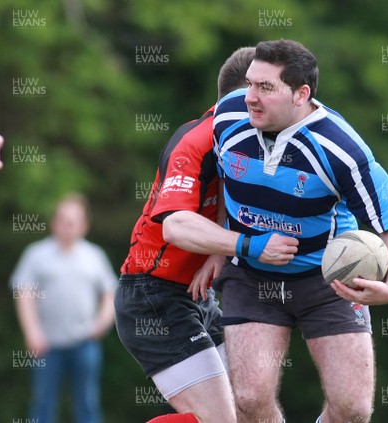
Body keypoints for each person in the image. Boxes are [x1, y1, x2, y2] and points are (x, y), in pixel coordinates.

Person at [166, 39, 388, 423]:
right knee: (249, 399)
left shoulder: (340, 149)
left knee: (353, 409)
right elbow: (222, 188)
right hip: (251, 274)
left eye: (265, 88)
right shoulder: (227, 118)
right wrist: (219, 249)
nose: (249, 97)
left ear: (302, 94)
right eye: (249, 83)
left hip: (329, 280)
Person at [115, 47, 259, 423]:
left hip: (198, 297)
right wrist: (242, 246)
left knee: (253, 406)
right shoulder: (195, 141)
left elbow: (235, 201)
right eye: (264, 91)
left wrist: (217, 253)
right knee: (222, 420)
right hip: (152, 296)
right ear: (245, 96)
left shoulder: (249, 144)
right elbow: (175, 225)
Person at [11, 193, 117, 423]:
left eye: (73, 220)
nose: (67, 225)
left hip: (85, 342)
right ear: (53, 222)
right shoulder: (36, 255)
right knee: (43, 403)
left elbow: (110, 293)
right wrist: (32, 332)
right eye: (62, 219)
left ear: (84, 225)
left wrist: (102, 323)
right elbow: (24, 294)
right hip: (46, 345)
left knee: (88, 402)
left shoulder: (94, 256)